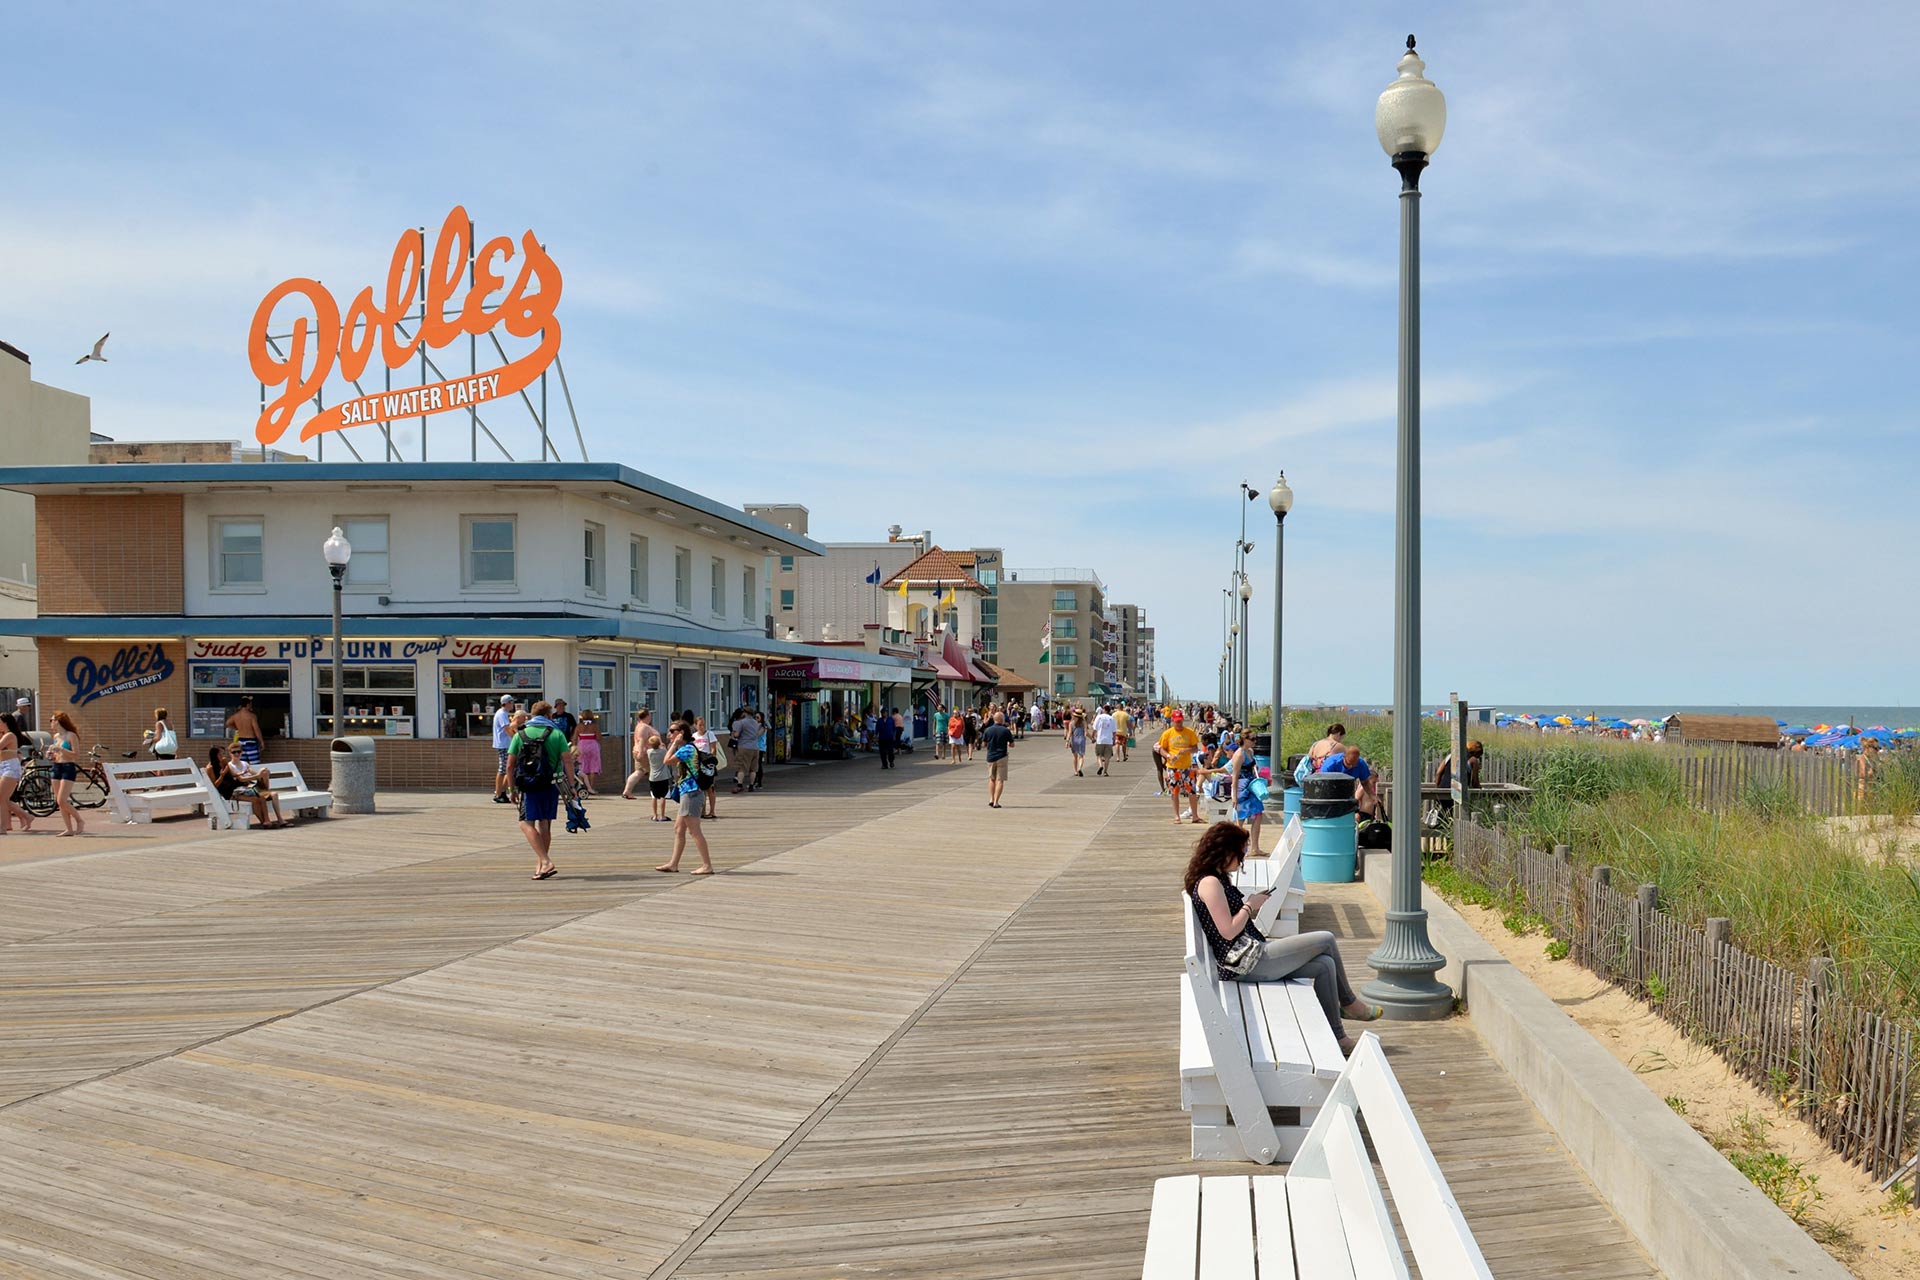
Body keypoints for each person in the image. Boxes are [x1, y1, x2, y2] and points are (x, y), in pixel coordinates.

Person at [1185, 821, 1381, 1054]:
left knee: (1325, 965)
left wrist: (1250, 904)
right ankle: (1349, 1003)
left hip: (1250, 954)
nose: (1243, 858)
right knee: (1326, 938)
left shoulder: (1217, 877)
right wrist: (1250, 905)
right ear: (1225, 851)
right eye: (1241, 852)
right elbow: (1227, 931)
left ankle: (1338, 1038)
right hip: (1243, 963)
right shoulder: (1210, 883)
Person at [509, 700, 570, 880]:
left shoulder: (520, 734)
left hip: (529, 784)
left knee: (525, 823)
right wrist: (572, 786)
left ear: (532, 716)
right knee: (545, 824)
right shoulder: (556, 733)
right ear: (549, 715)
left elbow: (510, 765)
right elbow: (567, 761)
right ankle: (541, 864)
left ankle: (544, 860)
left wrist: (512, 788)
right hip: (551, 783)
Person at [657, 720, 714, 875]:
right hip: (687, 794)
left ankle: (707, 865)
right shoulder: (686, 748)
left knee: (694, 831)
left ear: (680, 733)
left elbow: (667, 760)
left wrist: (675, 744)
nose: (669, 734)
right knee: (678, 829)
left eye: (672, 731)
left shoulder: (687, 749)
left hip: (691, 793)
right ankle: (673, 864)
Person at [205, 744, 288, 829]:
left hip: (236, 787)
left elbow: (232, 774)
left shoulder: (223, 761)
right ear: (214, 755)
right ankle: (264, 822)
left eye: (222, 753)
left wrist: (240, 773)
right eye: (220, 754)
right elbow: (215, 785)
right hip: (229, 792)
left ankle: (267, 821)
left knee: (261, 797)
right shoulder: (210, 768)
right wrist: (222, 776)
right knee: (256, 798)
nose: (222, 756)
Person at [46, 711, 88, 837]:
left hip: (67, 767)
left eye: (52, 720)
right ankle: (68, 829)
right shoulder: (56, 737)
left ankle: (79, 820)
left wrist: (61, 749)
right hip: (56, 766)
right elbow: (56, 755)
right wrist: (51, 755)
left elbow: (76, 754)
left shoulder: (71, 736)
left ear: (58, 721)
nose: (51, 723)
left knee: (62, 800)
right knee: (59, 802)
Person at [1157, 710, 1203, 823]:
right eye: (1177, 721)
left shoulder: (1189, 732)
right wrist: (1169, 756)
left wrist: (1186, 750)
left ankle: (1195, 816)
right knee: (1174, 791)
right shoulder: (1167, 733)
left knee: (1192, 791)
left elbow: (1195, 748)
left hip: (1187, 766)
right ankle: (1177, 816)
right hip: (1173, 767)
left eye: (1180, 721)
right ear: (1173, 721)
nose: (1179, 723)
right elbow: (1160, 748)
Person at [1223, 734, 1265, 853]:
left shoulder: (1250, 752)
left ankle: (1255, 848)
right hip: (1242, 787)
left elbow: (1252, 767)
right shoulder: (1239, 755)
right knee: (1240, 819)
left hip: (1252, 785)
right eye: (1252, 739)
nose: (1255, 741)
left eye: (1255, 739)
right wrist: (1234, 795)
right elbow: (1235, 776)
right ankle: (1234, 848)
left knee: (1258, 814)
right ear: (1244, 740)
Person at [1319, 746, 1382, 818]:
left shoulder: (1361, 764)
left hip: (1348, 792)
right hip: (1330, 790)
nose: (1351, 767)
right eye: (1349, 764)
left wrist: (1372, 796)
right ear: (1344, 757)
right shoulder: (1330, 765)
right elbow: (1323, 784)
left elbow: (1365, 783)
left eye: (1354, 765)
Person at [0, 712, 31, 833]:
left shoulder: (10, 735)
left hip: (10, 767)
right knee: (3, 798)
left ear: (5, 723)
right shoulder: (3, 735)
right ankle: (26, 817)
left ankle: (3, 827)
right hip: (2, 766)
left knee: (2, 798)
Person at [622, 708, 663, 800]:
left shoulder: (642, 726)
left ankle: (628, 791)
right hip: (645, 753)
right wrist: (640, 752)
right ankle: (628, 791)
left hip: (646, 752)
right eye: (649, 715)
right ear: (647, 716)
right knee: (641, 772)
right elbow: (641, 740)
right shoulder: (643, 727)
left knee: (642, 772)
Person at [491, 694, 518, 803]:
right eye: (511, 702)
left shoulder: (504, 714)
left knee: (507, 769)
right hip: (504, 745)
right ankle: (498, 794)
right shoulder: (502, 714)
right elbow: (507, 729)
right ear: (506, 703)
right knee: (504, 769)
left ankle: (501, 792)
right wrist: (517, 739)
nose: (513, 704)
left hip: (505, 744)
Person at [984, 710, 1013, 808]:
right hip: (1002, 756)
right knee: (1000, 780)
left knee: (992, 779)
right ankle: (996, 802)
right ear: (1001, 720)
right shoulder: (1006, 730)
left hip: (990, 756)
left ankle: (991, 799)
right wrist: (1008, 743)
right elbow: (1012, 744)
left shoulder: (988, 730)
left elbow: (984, 744)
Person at [225, 695, 265, 767]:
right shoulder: (251, 716)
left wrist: (237, 728)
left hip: (240, 742)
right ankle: (256, 777)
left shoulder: (236, 715)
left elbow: (228, 723)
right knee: (255, 765)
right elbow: (256, 729)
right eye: (250, 704)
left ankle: (244, 778)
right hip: (251, 742)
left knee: (242, 765)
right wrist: (261, 741)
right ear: (248, 705)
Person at [730, 706, 762, 793]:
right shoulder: (756, 723)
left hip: (744, 746)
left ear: (745, 713)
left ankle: (739, 785)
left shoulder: (741, 722)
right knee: (753, 768)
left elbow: (736, 734)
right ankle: (751, 785)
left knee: (741, 767)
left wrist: (733, 733)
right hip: (755, 747)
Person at [573, 712, 603, 794]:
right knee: (593, 767)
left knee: (582, 766)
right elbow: (599, 737)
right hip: (593, 745)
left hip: (582, 746)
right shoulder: (594, 726)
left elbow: (575, 738)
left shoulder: (579, 726)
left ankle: (583, 787)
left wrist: (574, 747)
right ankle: (591, 788)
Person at [1091, 704, 1117, 776]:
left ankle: (1100, 766)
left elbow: (1095, 729)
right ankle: (1105, 771)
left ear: (1104, 710)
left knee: (1099, 755)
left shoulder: (1099, 717)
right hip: (1108, 740)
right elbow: (1114, 731)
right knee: (1107, 757)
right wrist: (1114, 740)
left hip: (1100, 739)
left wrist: (1093, 737)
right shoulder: (1112, 718)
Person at [1065, 707, 1088, 777]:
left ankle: (1075, 771)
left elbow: (1069, 733)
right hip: (1081, 740)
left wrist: (1067, 741)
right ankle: (1080, 768)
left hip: (1074, 740)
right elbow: (1086, 733)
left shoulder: (1071, 723)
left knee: (1075, 757)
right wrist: (1092, 738)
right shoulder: (1084, 723)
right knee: (1081, 756)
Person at [875, 701, 898, 770]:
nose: (883, 714)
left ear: (887, 713)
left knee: (890, 752)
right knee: (882, 752)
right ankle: (884, 764)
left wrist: (894, 736)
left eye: (884, 712)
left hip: (890, 738)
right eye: (882, 713)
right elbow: (877, 729)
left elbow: (894, 728)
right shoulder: (879, 720)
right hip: (882, 739)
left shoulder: (891, 720)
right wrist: (876, 736)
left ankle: (891, 761)